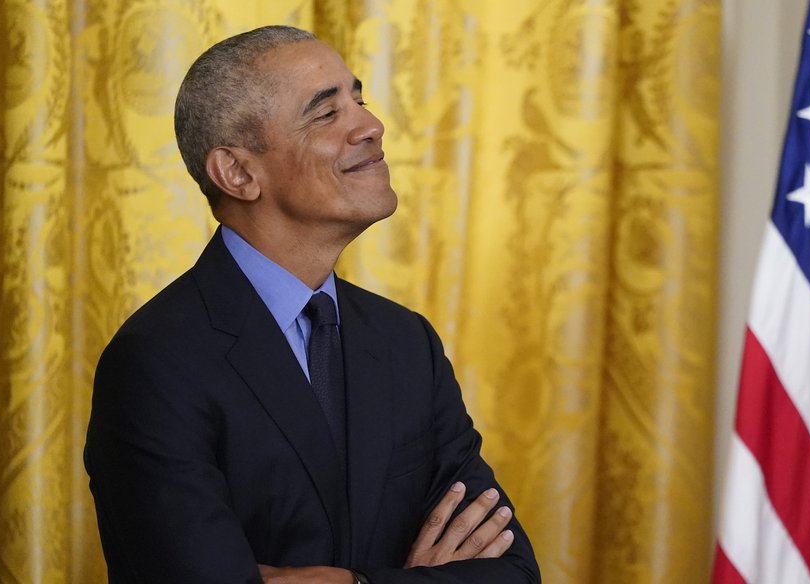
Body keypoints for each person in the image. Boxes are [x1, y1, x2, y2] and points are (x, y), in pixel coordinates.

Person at [84, 25, 540, 584]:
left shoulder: (405, 341)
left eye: (360, 99)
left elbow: (513, 571)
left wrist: (356, 582)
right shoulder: (157, 361)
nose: (372, 126)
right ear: (238, 172)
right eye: (326, 114)